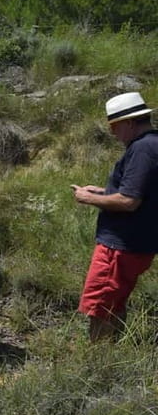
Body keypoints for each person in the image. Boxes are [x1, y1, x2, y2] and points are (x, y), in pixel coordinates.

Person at [72, 92, 158, 341]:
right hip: (136, 243)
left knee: (100, 306)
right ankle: (110, 354)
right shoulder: (151, 145)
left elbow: (129, 201)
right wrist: (102, 191)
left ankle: (97, 362)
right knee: (115, 302)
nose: (112, 133)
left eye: (114, 126)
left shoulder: (143, 149)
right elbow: (139, 193)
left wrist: (89, 199)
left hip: (120, 246)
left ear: (130, 123)